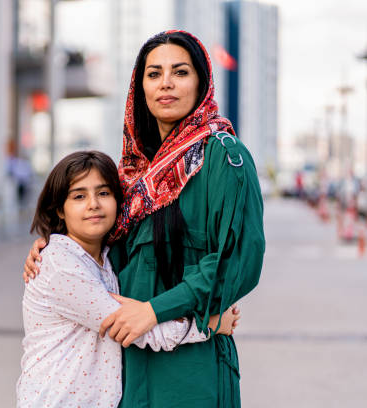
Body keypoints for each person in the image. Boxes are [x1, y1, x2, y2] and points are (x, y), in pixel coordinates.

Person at [23, 30, 265, 407]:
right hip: (126, 368)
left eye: (180, 72)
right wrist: (50, 244)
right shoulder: (133, 174)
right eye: (153, 74)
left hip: (189, 369)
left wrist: (155, 311)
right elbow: (98, 238)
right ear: (140, 88)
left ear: (201, 82)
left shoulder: (222, 156)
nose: (165, 83)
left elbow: (238, 260)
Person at [16, 150, 239, 407]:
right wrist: (209, 325)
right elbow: (136, 329)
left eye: (103, 193)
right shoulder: (59, 263)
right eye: (79, 196)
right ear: (60, 210)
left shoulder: (108, 257)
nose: (93, 204)